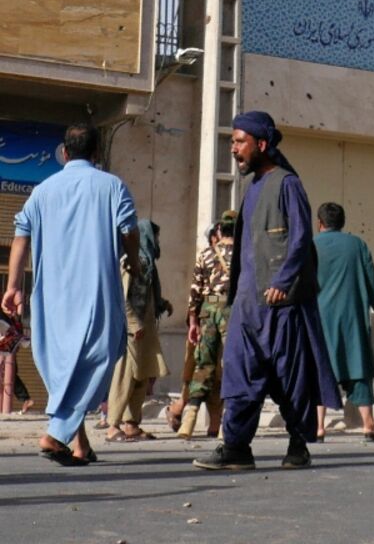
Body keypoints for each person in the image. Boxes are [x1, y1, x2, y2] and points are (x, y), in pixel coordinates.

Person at [193, 111, 342, 471]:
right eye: (232, 142)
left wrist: (283, 281)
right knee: (238, 374)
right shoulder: (252, 188)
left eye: (239, 141)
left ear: (261, 144)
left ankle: (297, 444)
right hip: (246, 306)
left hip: (281, 305)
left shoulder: (287, 184)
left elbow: (301, 238)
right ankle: (236, 447)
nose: (234, 149)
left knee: (289, 378)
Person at [2, 123, 141, 465]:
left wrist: (13, 286)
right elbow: (129, 231)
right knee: (100, 358)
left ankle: (80, 445)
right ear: (98, 154)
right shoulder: (112, 186)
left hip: (51, 297)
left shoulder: (42, 190)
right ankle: (56, 433)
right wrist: (134, 263)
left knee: (64, 366)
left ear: (64, 153)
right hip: (96, 294)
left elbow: (21, 235)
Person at [313, 201, 374, 443]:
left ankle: (318, 427)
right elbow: (371, 277)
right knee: (359, 369)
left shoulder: (310, 246)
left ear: (320, 223)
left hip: (320, 320)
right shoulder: (357, 245)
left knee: (320, 369)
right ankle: (369, 425)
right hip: (352, 318)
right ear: (342, 223)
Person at [106, 220, 172, 442]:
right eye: (156, 237)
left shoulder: (148, 263)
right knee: (125, 375)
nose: (158, 242)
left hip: (145, 328)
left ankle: (131, 424)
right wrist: (133, 324)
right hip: (130, 329)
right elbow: (121, 297)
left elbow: (146, 293)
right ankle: (112, 425)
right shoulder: (131, 261)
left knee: (142, 375)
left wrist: (162, 303)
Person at [173, 211, 237, 439]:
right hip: (233, 312)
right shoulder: (245, 255)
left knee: (203, 365)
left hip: (208, 312)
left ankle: (188, 422)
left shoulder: (207, 253)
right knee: (232, 366)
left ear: (219, 230)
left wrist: (192, 321)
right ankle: (225, 426)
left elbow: (195, 290)